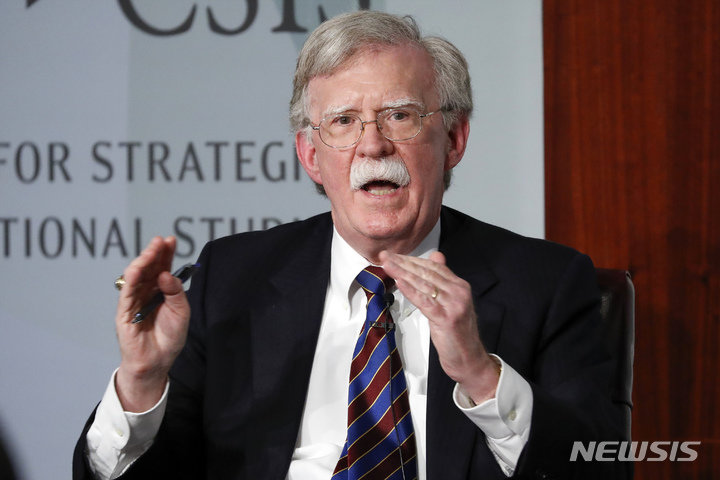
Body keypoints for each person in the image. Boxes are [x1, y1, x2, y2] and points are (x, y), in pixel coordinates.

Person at [73, 11, 626, 480]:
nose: (372, 145)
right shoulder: (233, 279)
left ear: (454, 139)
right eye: (343, 121)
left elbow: (599, 465)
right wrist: (141, 384)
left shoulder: (546, 283)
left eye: (400, 116)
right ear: (310, 156)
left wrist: (481, 375)